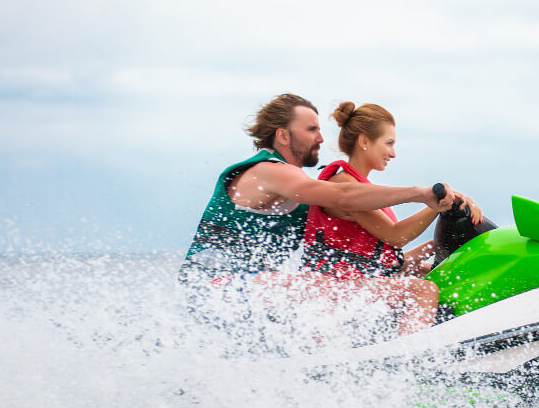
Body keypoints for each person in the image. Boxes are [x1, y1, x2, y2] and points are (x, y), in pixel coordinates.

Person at [179, 93, 475, 331]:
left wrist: (447, 227)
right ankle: (400, 372)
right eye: (311, 130)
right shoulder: (267, 171)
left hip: (254, 289)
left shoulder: (302, 188)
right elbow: (343, 195)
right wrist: (422, 194)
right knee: (319, 287)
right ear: (283, 135)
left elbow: (363, 239)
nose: (321, 138)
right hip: (215, 284)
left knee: (327, 290)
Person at [301, 101, 482, 334]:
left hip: (354, 282)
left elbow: (386, 260)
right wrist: (438, 206)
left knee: (432, 273)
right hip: (331, 289)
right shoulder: (343, 184)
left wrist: (443, 244)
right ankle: (405, 363)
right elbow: (395, 236)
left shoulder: (362, 187)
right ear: (364, 141)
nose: (393, 153)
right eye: (389, 143)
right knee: (423, 290)